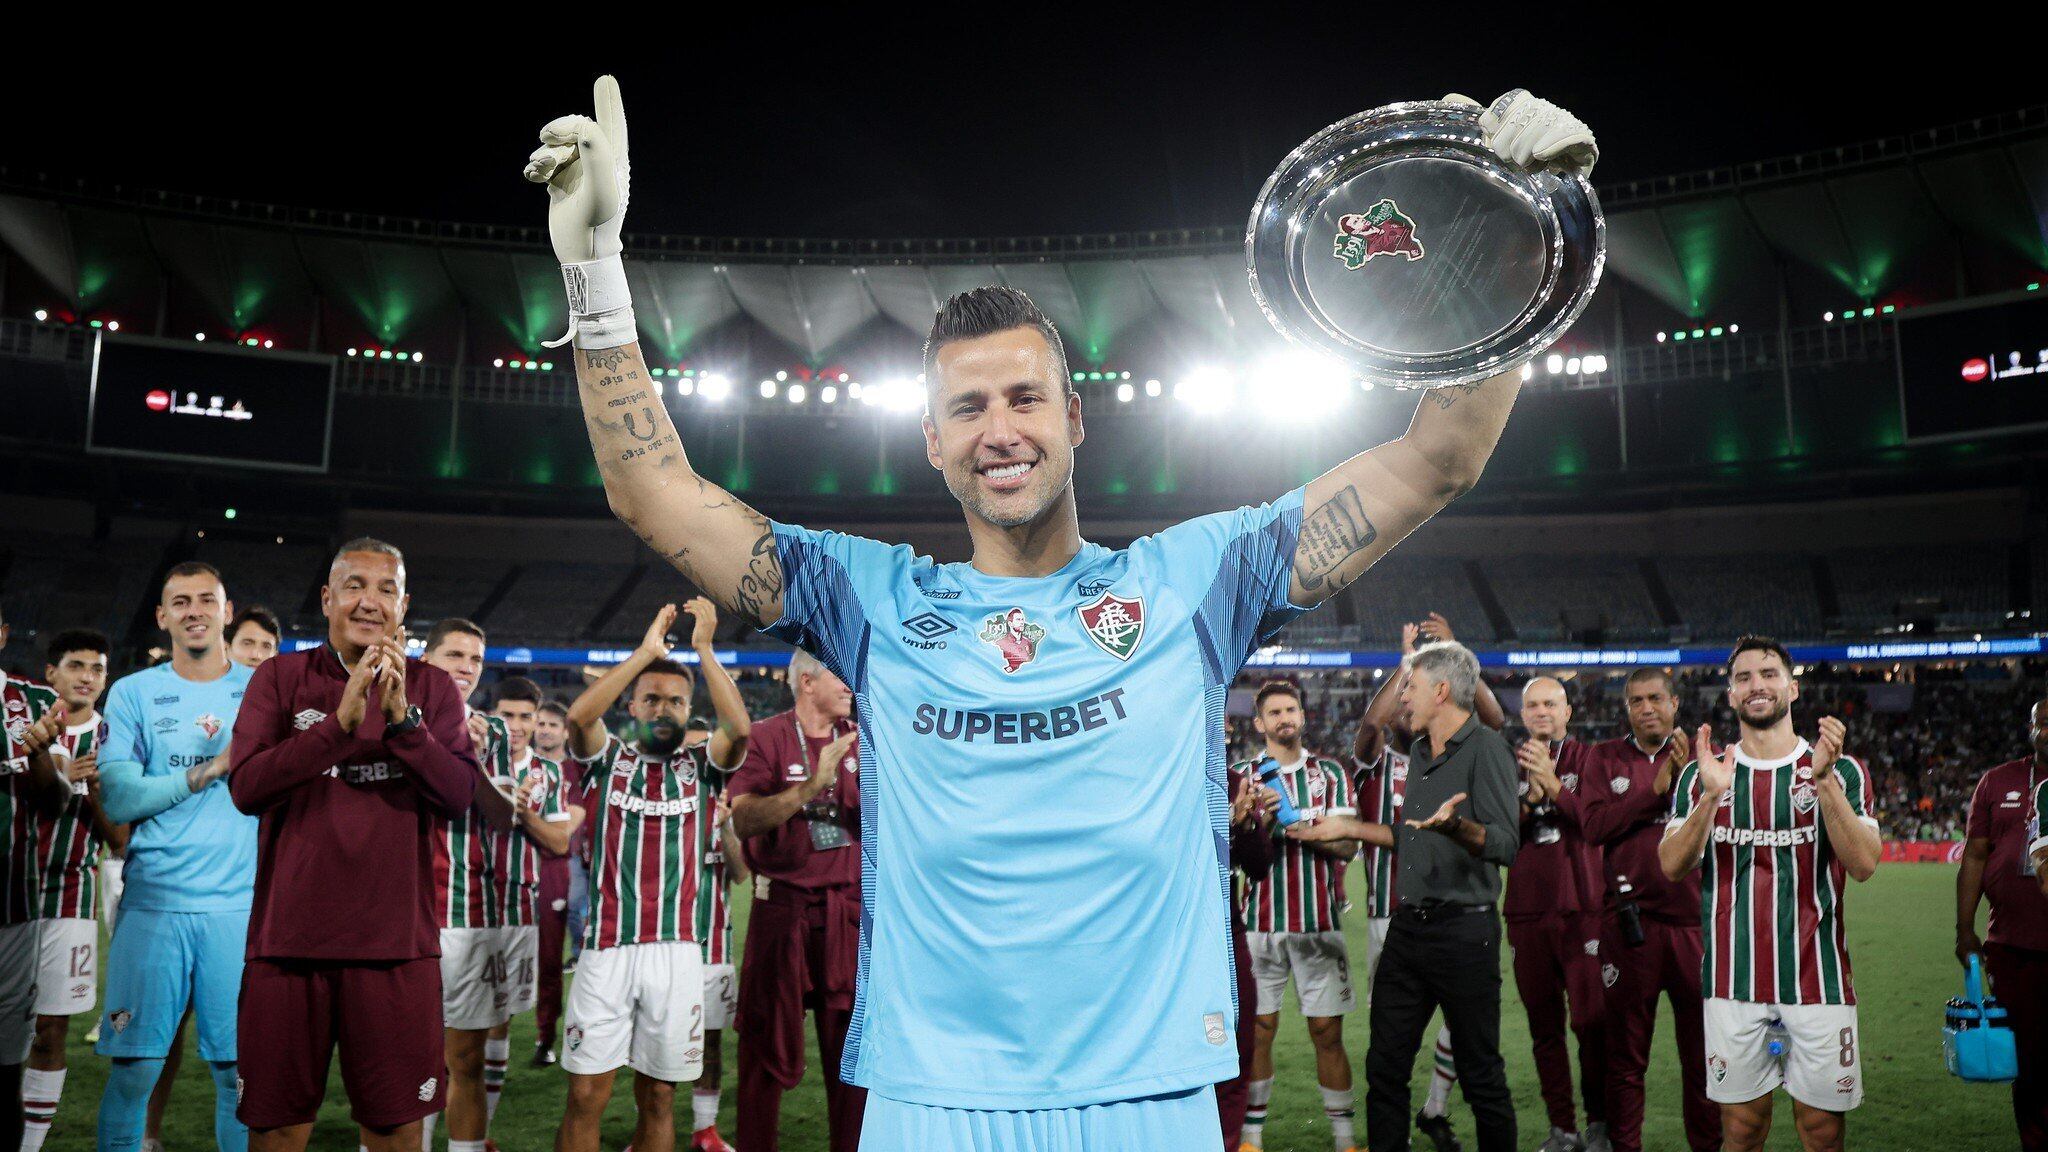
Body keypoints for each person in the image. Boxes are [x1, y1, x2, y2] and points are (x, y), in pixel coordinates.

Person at [525, 74, 1586, 1147]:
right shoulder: (869, 599)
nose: (1000, 430)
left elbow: (1434, 460)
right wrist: (594, 275)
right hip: (932, 1099)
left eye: (1025, 397)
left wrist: (1513, 229)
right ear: (932, 442)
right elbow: (652, 493)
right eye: (967, 408)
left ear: (1074, 418)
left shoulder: (1194, 579)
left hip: (1150, 1094)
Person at [227, 538, 480, 1152]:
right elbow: (246, 788)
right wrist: (337, 728)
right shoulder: (280, 677)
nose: (370, 601)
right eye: (354, 586)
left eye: (386, 589)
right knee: (277, 1128)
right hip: (288, 944)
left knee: (396, 1131)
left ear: (403, 606)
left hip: (396, 948)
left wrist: (403, 724)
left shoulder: (433, 689)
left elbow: (458, 796)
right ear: (327, 598)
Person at [1296, 642, 1522, 1152]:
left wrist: (1457, 827)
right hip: (1408, 928)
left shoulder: (1488, 750)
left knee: (1481, 1075)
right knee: (1385, 1068)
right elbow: (1411, 834)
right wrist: (1347, 827)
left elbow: (1506, 844)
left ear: (1441, 691)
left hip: (1465, 932)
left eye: (1410, 687)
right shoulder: (1420, 752)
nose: (1403, 697)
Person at [1659, 636, 1880, 1152]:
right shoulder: (1701, 775)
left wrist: (1823, 781)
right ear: (1731, 695)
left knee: (1822, 1131)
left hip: (1819, 980)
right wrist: (1712, 796)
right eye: (1744, 677)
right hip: (1731, 981)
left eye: (1769, 673)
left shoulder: (1842, 769)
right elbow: (1672, 865)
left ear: (1792, 688)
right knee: (1741, 1130)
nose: (1756, 685)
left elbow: (1864, 864)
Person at [557, 600, 750, 1152]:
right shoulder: (607, 760)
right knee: (586, 1094)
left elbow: (738, 728)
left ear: (690, 709)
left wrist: (705, 649)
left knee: (660, 1097)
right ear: (633, 706)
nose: (664, 709)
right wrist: (645, 653)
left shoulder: (702, 769)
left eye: (676, 701)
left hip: (678, 953)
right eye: (652, 699)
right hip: (607, 949)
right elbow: (578, 719)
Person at [94, 563, 256, 1152]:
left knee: (238, 1076)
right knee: (134, 1070)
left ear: (226, 611)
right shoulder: (132, 692)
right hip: (154, 905)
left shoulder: (262, 691)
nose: (195, 611)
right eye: (180, 602)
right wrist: (208, 770)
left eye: (206, 600)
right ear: (163, 617)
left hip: (238, 910)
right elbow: (119, 797)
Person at [1350, 616, 1504, 1152]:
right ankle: (1419, 1117)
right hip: (1390, 917)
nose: (1404, 704)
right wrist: (1408, 664)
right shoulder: (1378, 762)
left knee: (1467, 1040)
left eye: (1413, 692)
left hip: (1456, 916)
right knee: (1390, 1052)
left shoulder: (1461, 754)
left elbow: (1493, 718)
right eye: (1402, 695)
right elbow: (1373, 723)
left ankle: (1436, 1106)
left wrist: (1452, 652)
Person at [728, 650, 863, 1152]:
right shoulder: (765, 736)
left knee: (851, 1056)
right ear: (807, 681)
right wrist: (812, 786)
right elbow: (743, 820)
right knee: (763, 1047)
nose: (849, 684)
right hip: (781, 912)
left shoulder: (865, 737)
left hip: (846, 914)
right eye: (839, 673)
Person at [1578, 668, 1717, 1152]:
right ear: (1627, 708)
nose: (1646, 708)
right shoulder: (1604, 758)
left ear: (1674, 703)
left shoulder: (1708, 760)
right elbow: (1593, 828)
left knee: (1703, 1059)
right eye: (1636, 701)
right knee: (1625, 1059)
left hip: (1695, 927)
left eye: (1655, 698)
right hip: (1629, 927)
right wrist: (1654, 789)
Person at [1235, 680, 1359, 1152]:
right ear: (1259, 723)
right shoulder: (1241, 776)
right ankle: (1251, 1140)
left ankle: (1345, 1141)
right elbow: (1228, 851)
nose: (1284, 718)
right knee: (1258, 1031)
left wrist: (1304, 829)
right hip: (1258, 925)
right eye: (1275, 712)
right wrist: (1257, 823)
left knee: (1327, 1032)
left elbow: (1349, 845)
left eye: (1291, 710)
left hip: (1318, 923)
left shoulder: (1330, 773)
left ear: (1303, 716)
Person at [21, 630, 124, 1152]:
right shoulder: (21, 727)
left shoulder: (116, 740)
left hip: (70, 894)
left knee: (49, 1030)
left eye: (97, 668)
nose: (87, 676)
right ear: (51, 674)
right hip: (12, 887)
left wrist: (94, 789)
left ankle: (30, 1145)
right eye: (76, 665)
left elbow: (121, 841)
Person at [418, 618, 517, 1152]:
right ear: (426, 660)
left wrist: (469, 758)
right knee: (403, 1058)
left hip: (467, 913)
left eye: (475, 659)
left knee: (465, 1060)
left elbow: (503, 817)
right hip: (400, 913)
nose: (466, 667)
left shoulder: (492, 732)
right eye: (454, 655)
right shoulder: (393, 719)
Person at [1506, 677, 1607, 1152]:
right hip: (1526, 911)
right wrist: (1530, 796)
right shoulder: (1505, 764)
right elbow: (1496, 835)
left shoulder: (1593, 760)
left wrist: (1553, 786)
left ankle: (1600, 1124)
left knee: (1591, 1023)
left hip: (1584, 908)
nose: (1542, 711)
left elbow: (1598, 822)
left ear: (1567, 711)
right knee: (1543, 1029)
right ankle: (1562, 1129)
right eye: (1533, 705)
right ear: (1523, 714)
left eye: (1550, 703)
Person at [486, 675, 578, 1132]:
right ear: (492, 716)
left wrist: (522, 813)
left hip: (522, 901)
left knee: (500, 1014)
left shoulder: (550, 774)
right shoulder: (471, 760)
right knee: (453, 1021)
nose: (518, 726)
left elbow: (560, 842)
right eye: (508, 716)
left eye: (527, 716)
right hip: (465, 903)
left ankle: (481, 1130)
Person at [1956, 693, 2048, 1150]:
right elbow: (1974, 856)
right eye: (2043, 723)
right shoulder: (1998, 781)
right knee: (2028, 1062)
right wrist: (1964, 929)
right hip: (2012, 947)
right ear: (2031, 730)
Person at [3, 605, 68, 1152]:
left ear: (2, 633)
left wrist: (40, 753)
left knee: (6, 1067)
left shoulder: (35, 702)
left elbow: (56, 802)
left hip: (13, 908)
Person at [690, 727, 747, 1152]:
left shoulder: (726, 804)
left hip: (712, 945)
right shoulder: (657, 804)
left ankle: (705, 1129)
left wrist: (725, 827)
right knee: (648, 1042)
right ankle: (647, 1127)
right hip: (660, 945)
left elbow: (740, 872)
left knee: (710, 1041)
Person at [1220, 749, 1277, 1151]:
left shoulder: (1231, 781)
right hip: (1166, 935)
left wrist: (1245, 823)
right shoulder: (1154, 774)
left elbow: (1258, 865)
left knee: (1237, 1047)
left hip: (1226, 932)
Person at [533, 697, 577, 1066]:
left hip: (555, 869)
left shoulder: (574, 772)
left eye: (552, 725)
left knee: (549, 960)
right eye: (541, 723)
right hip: (511, 867)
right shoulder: (517, 765)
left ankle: (545, 1036)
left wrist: (523, 817)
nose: (545, 730)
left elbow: (566, 830)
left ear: (565, 732)